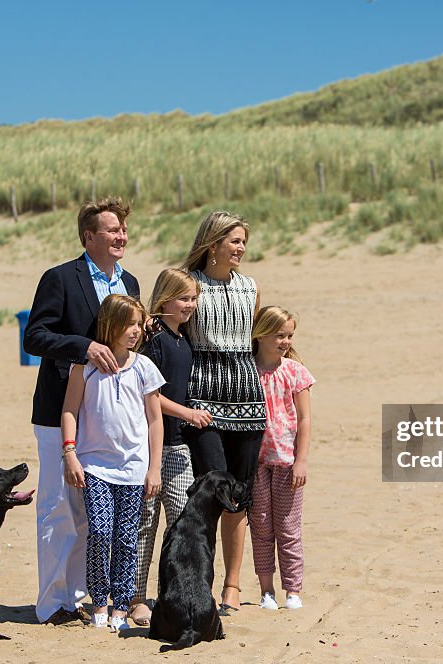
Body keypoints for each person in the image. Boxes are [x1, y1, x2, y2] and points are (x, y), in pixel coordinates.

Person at [23, 197, 140, 625]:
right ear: (88, 236)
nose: (121, 236)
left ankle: (78, 597)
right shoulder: (59, 278)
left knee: (93, 513)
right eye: (112, 230)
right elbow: (34, 336)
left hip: (107, 418)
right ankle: (53, 603)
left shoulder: (130, 283)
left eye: (124, 229)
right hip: (60, 412)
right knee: (59, 506)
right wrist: (83, 346)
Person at [61, 294, 165, 632]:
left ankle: (122, 605)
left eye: (138, 324)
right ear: (110, 324)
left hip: (134, 469)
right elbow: (69, 411)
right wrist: (70, 453)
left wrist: (154, 468)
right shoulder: (85, 367)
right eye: (128, 324)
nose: (135, 331)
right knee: (101, 532)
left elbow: (154, 420)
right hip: (94, 467)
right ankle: (99, 602)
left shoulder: (144, 367)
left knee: (126, 537)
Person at [180, 211, 266, 615]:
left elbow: (257, 341)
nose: (241, 248)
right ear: (212, 243)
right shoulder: (189, 284)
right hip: (203, 403)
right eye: (234, 241)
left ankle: (232, 585)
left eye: (243, 241)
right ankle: (201, 581)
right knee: (210, 494)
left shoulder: (251, 287)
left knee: (239, 496)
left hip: (248, 400)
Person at [128, 269, 213, 626]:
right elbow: (152, 397)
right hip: (150, 447)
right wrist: (188, 413)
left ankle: (173, 593)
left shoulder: (183, 339)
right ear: (164, 300)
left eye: (193, 299)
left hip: (178, 448)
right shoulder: (156, 342)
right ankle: (136, 599)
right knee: (145, 524)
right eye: (184, 299)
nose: (190, 305)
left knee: (182, 523)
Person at [248, 306, 314, 611]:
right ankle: (266, 591)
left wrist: (301, 461)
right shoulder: (246, 370)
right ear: (260, 335)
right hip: (256, 465)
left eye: (289, 335)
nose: (285, 341)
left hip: (288, 463)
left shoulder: (296, 372)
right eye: (278, 335)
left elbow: (305, 419)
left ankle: (293, 589)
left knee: (288, 528)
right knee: (261, 528)